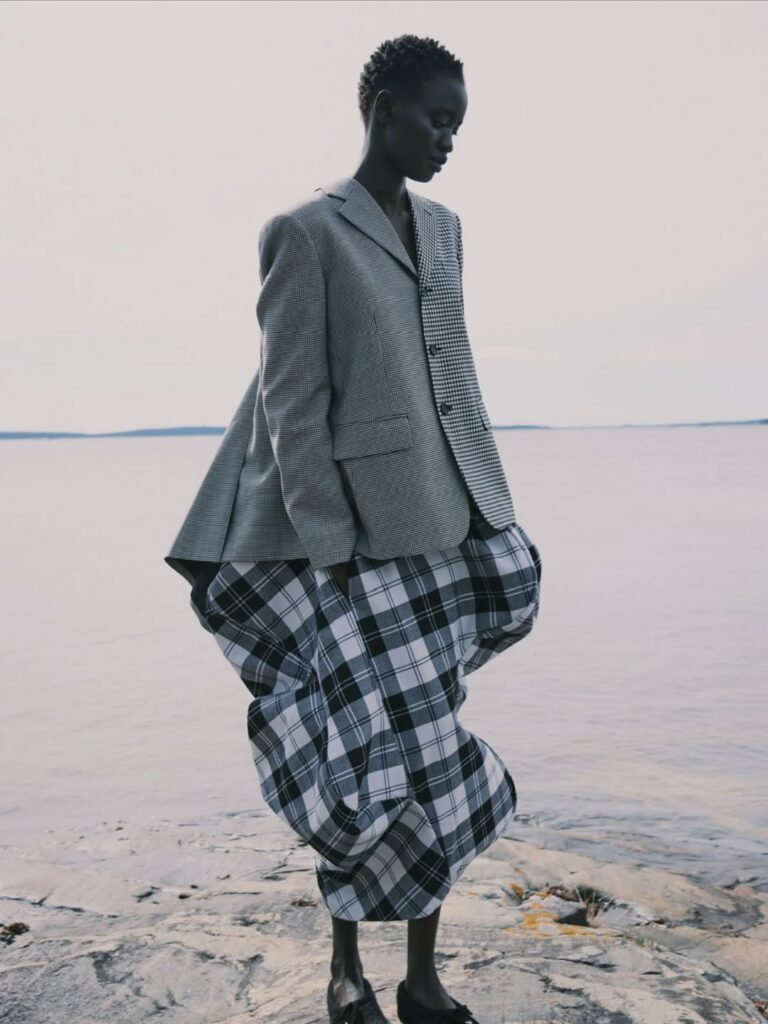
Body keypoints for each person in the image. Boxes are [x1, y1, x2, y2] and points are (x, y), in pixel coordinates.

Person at [164, 33, 542, 1024]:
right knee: (354, 759)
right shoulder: (305, 231)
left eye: (459, 125)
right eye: (437, 120)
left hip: (441, 521)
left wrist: (491, 513)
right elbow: (292, 402)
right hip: (345, 544)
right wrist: (328, 550)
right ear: (383, 112)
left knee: (433, 750)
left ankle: (421, 979)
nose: (449, 140)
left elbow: (452, 374)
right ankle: (345, 972)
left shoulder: (446, 229)